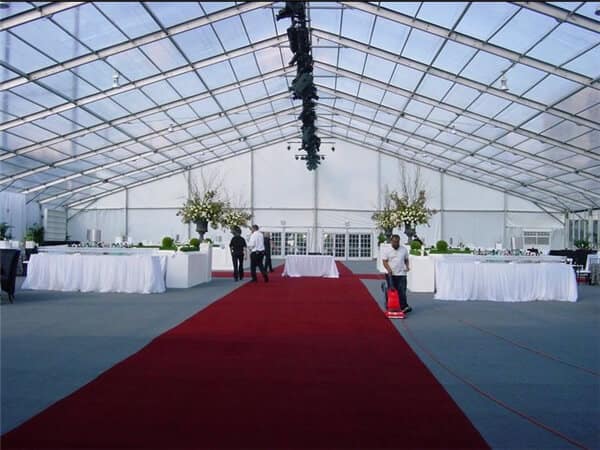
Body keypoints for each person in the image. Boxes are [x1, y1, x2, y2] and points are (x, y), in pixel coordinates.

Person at [381, 234, 411, 313]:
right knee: (391, 290)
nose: (396, 244)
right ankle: (389, 305)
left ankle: (404, 306)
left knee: (402, 291)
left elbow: (406, 259)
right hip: (390, 274)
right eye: (394, 242)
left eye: (397, 242)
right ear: (391, 241)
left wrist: (407, 266)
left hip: (401, 273)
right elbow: (384, 261)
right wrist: (389, 269)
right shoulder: (387, 250)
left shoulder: (403, 249)